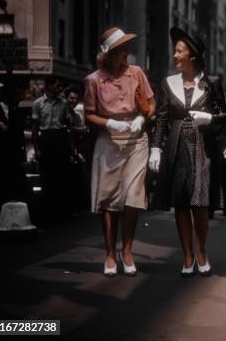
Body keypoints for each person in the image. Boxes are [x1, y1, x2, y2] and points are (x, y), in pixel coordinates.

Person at [149, 27, 226, 277]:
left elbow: (224, 115)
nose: (175, 55)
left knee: (200, 203)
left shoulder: (212, 82)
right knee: (181, 204)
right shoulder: (167, 83)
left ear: (192, 55)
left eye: (179, 51)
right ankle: (187, 255)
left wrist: (210, 118)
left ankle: (202, 251)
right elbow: (162, 118)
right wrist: (155, 148)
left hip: (203, 148)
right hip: (176, 147)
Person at [84, 27, 155, 277]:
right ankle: (110, 254)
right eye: (122, 48)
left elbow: (151, 102)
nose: (127, 51)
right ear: (110, 53)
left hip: (136, 138)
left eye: (127, 47)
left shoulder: (136, 73)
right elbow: (89, 114)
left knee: (133, 197)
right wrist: (110, 123)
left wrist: (142, 119)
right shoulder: (93, 80)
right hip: (109, 138)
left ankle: (127, 251)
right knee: (109, 200)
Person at [31, 76, 73, 221]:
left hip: (60, 139)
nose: (60, 88)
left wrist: (71, 148)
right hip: (46, 139)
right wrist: (37, 149)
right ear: (49, 86)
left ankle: (61, 211)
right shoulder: (38, 103)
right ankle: (47, 212)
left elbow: (69, 126)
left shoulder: (64, 103)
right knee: (46, 177)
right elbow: (35, 127)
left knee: (61, 176)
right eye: (57, 86)